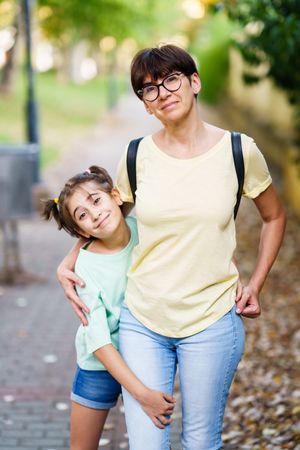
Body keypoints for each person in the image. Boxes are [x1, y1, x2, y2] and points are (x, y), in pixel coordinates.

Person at [57, 45, 286, 450]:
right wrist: (70, 260)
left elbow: (274, 217)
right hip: (143, 319)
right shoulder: (136, 155)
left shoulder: (238, 150)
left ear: (194, 82)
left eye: (171, 79)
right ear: (145, 105)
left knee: (200, 442)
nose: (162, 92)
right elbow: (109, 223)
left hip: (212, 319)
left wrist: (255, 284)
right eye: (148, 89)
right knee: (147, 444)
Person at [42, 165, 176, 450]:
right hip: (99, 365)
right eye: (82, 216)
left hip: (145, 353)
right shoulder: (85, 268)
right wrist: (143, 395)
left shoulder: (146, 231)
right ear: (81, 230)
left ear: (116, 196)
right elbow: (100, 342)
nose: (95, 214)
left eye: (96, 200)